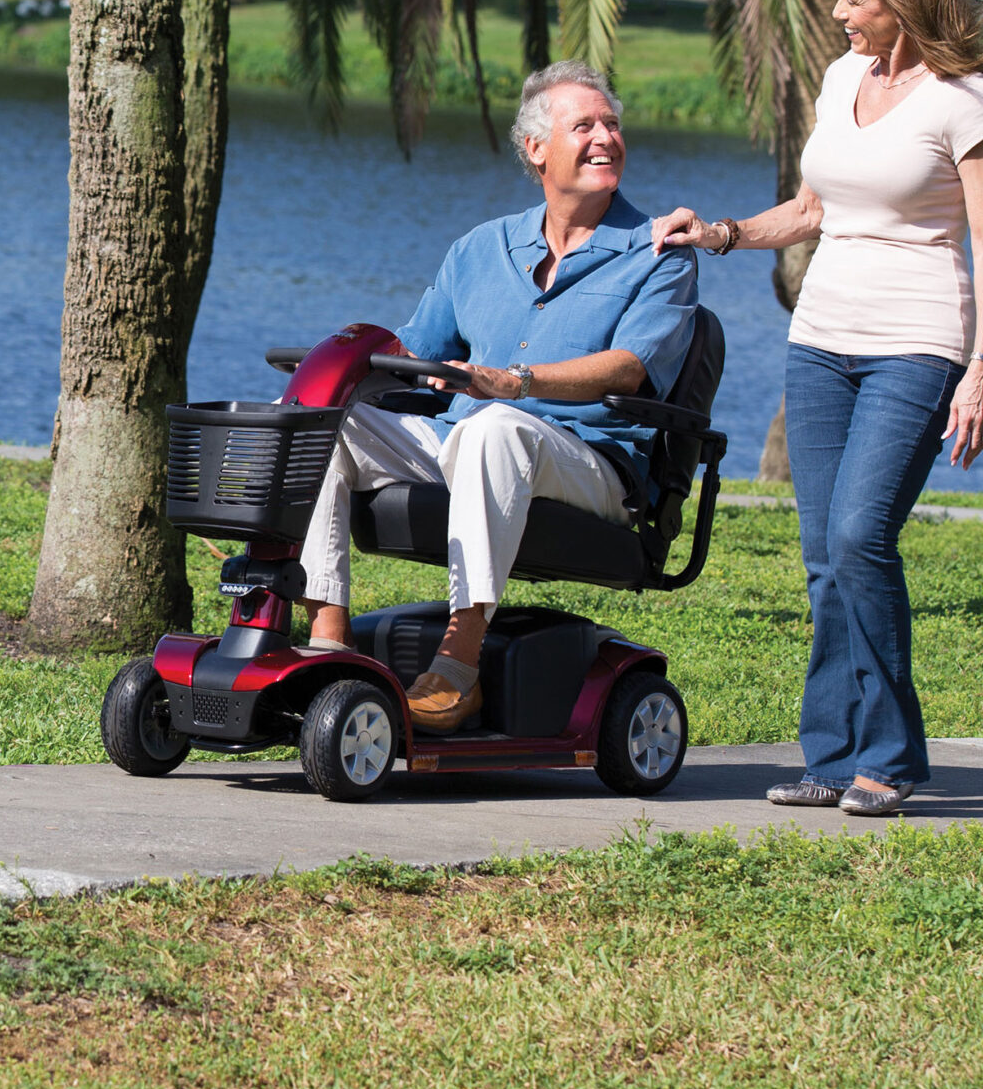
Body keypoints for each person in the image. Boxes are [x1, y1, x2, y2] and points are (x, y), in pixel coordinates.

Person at [654, 0, 983, 815]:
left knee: (861, 536)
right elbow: (816, 206)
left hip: (918, 345)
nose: (840, 14)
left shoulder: (963, 101)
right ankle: (833, 753)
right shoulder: (843, 76)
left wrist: (981, 371)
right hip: (819, 341)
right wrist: (726, 234)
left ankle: (889, 758)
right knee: (822, 554)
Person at [297, 62, 699, 733]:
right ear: (536, 149)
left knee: (496, 426)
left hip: (591, 461)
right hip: (466, 439)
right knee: (329, 420)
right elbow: (412, 353)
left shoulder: (658, 251)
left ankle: (458, 665)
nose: (606, 138)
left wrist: (515, 382)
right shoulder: (481, 248)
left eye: (612, 124)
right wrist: (373, 368)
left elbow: (630, 369)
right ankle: (328, 645)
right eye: (585, 126)